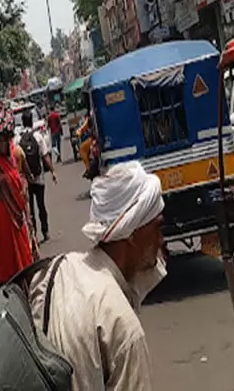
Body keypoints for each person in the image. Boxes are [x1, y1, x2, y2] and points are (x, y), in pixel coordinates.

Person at [28, 161, 165, 391]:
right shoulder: (124, 328)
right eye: (157, 228)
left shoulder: (57, 269)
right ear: (131, 233)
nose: (161, 240)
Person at [0, 105, 34, 285]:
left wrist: (27, 212)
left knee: (24, 250)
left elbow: (22, 178)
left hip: (18, 211)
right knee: (7, 253)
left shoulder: (14, 156)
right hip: (4, 214)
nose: (3, 144)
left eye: (5, 140)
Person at [20, 110, 58, 243]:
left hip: (26, 179)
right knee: (41, 205)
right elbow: (45, 156)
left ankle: (34, 234)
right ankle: (45, 231)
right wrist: (53, 171)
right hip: (39, 177)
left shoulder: (18, 139)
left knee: (29, 208)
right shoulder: (38, 136)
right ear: (31, 121)